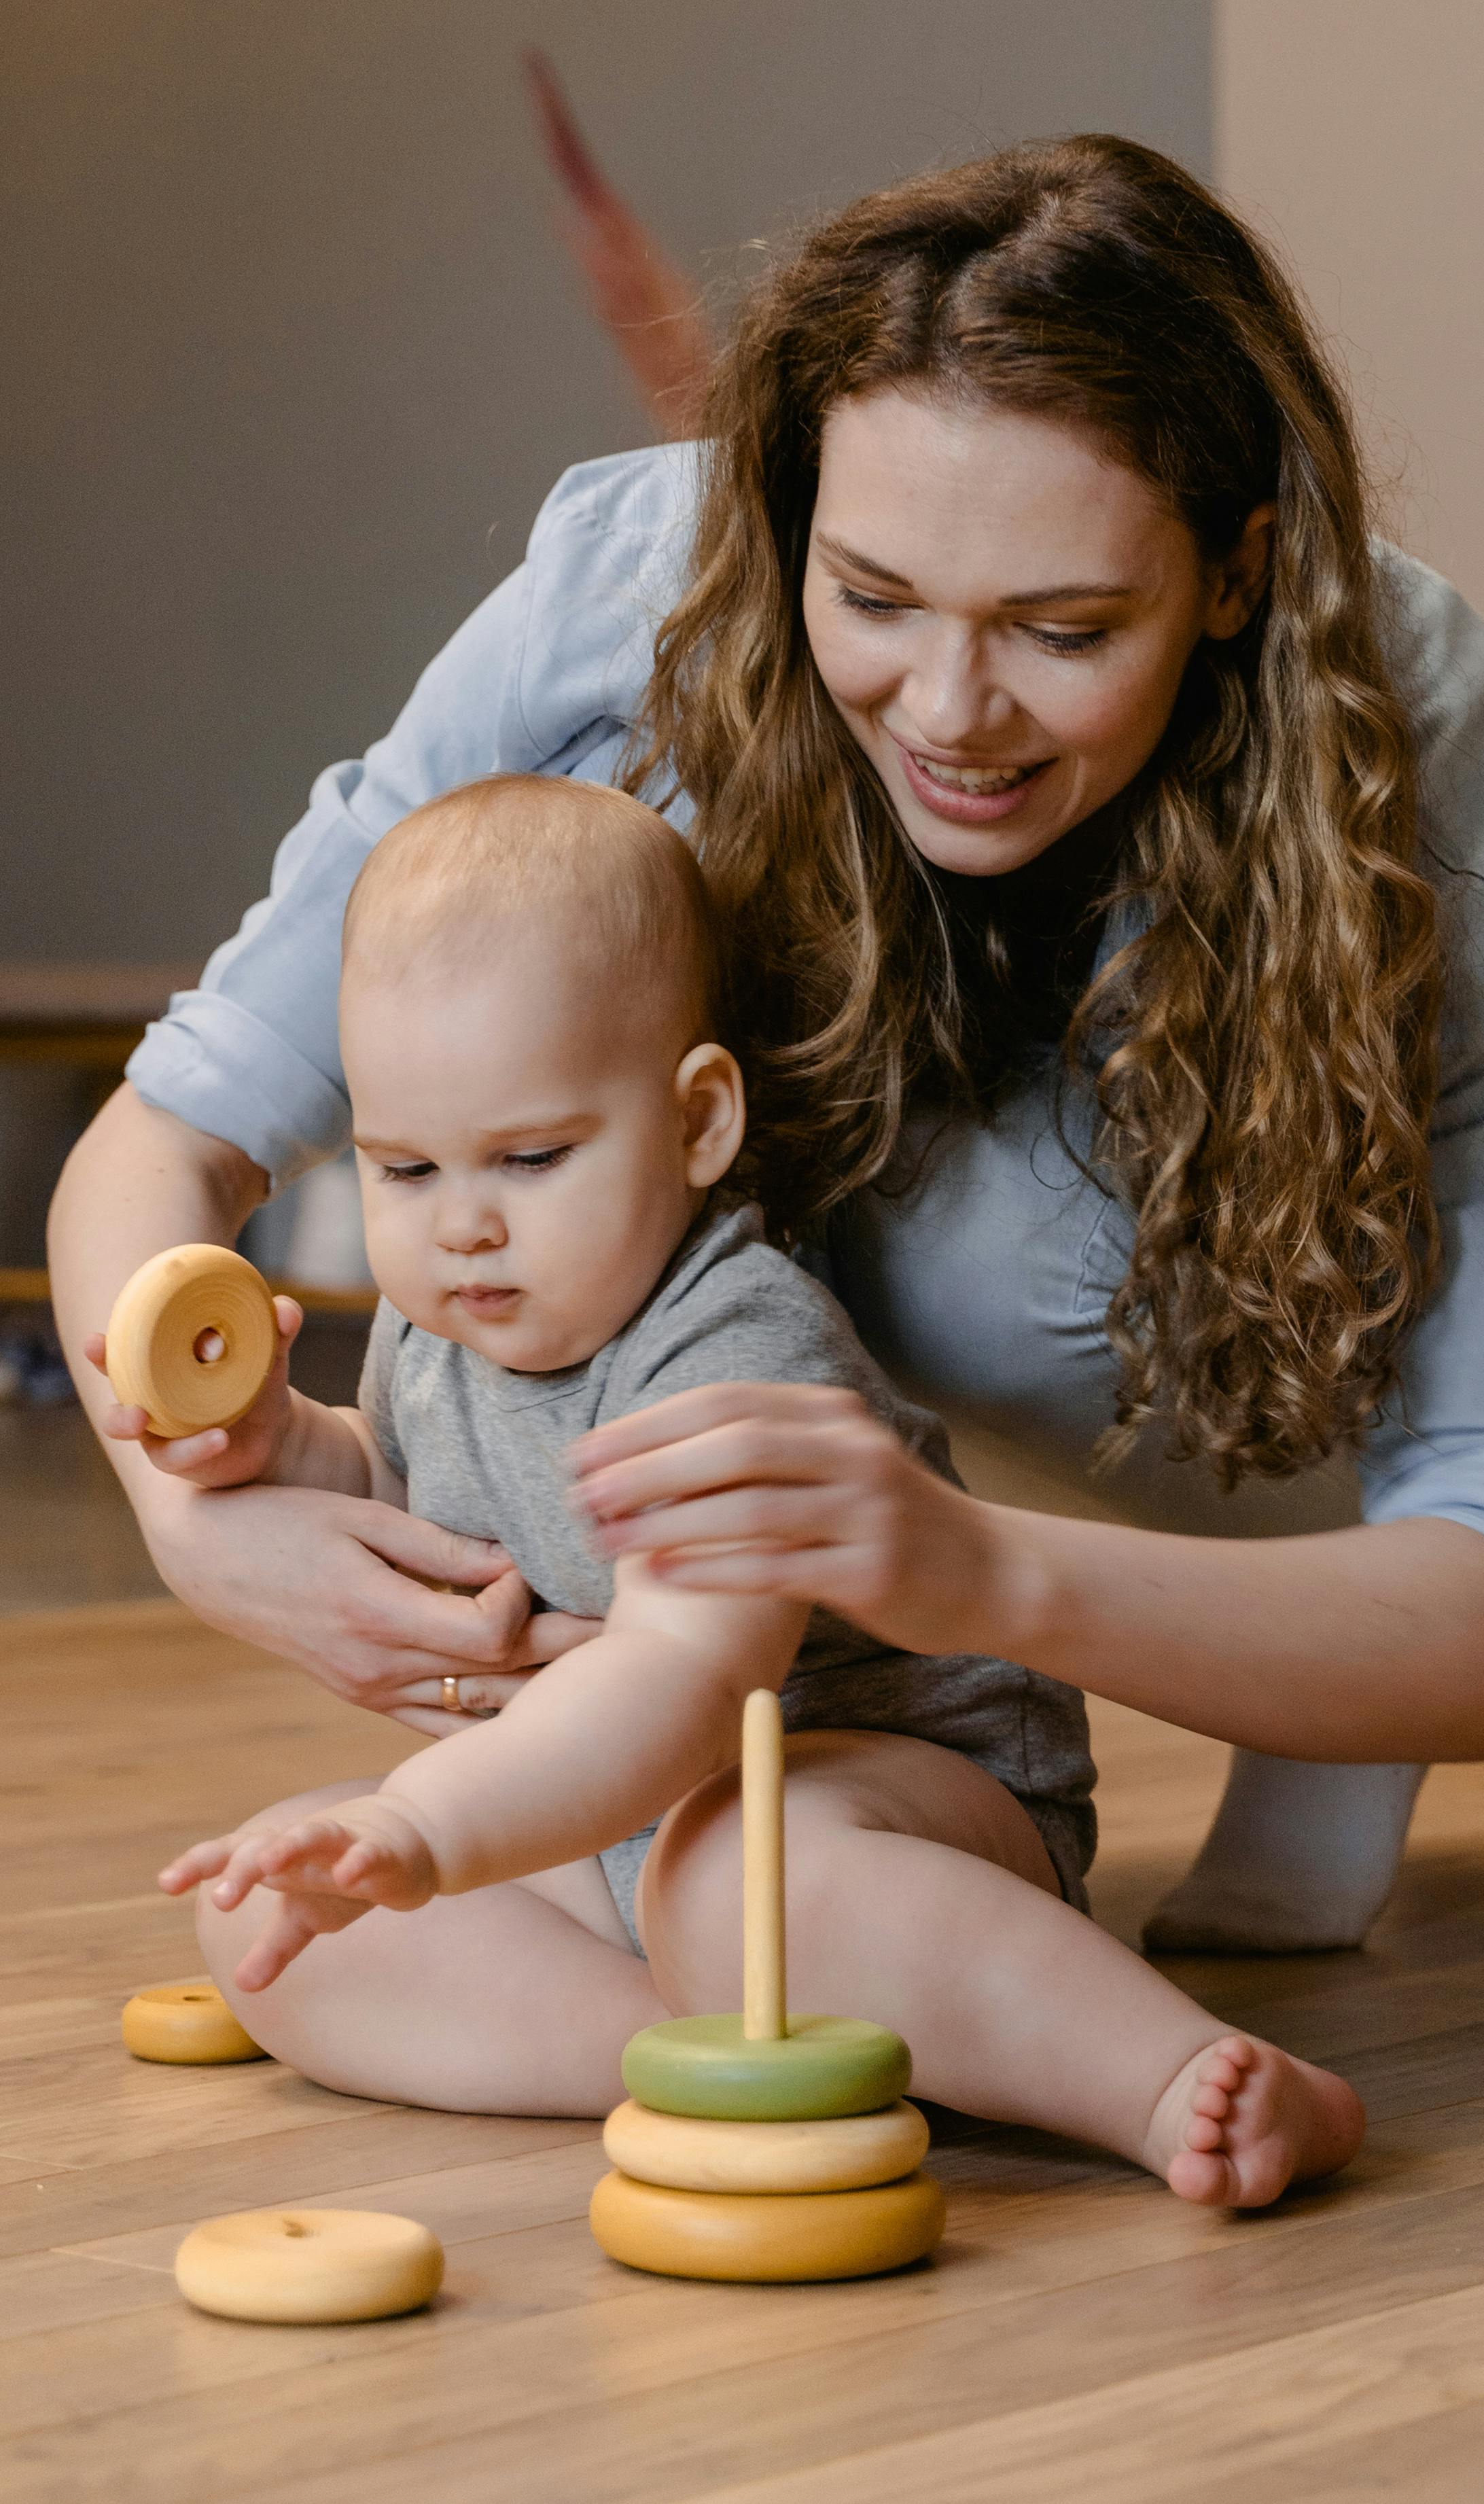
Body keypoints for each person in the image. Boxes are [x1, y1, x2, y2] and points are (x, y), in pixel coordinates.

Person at [52, 131, 1484, 1981]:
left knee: (993, 1258)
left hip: (1206, 1379)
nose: (953, 713)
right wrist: (198, 1514)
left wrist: (964, 1569)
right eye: (875, 600)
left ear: (1234, 580)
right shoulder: (627, 593)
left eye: (1065, 631)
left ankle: (1297, 1682)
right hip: (825, 1319)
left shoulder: (1422, 736)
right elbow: (170, 1137)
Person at [140, 771, 1360, 2204]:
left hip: (877, 1792)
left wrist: (431, 1825)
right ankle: (706, 2051)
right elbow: (411, 1501)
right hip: (608, 1821)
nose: (463, 1225)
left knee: (732, 1880)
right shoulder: (441, 1328)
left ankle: (1157, 2078)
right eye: (404, 1167)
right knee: (275, 1923)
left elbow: (682, 1672)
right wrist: (281, 1453)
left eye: (532, 1159)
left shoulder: (736, 1349)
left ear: (698, 1124)